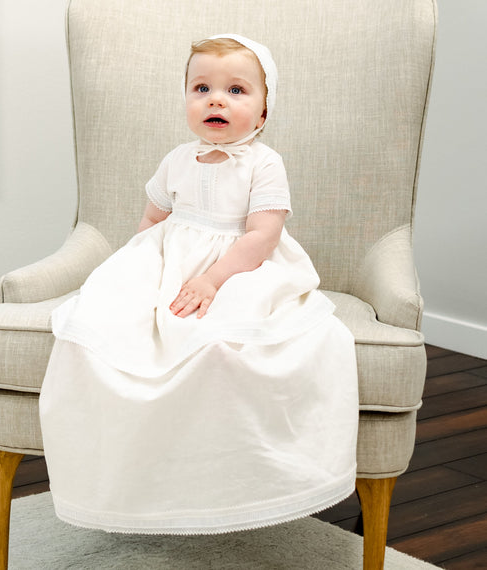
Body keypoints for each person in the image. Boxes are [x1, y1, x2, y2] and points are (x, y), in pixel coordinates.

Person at [39, 34, 359, 535]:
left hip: (238, 264)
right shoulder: (177, 158)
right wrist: (138, 270)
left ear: (263, 112)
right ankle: (131, 481)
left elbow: (262, 234)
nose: (215, 99)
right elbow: (152, 218)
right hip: (171, 256)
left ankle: (230, 478)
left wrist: (212, 278)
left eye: (236, 90)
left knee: (221, 339)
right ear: (186, 98)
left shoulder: (263, 162)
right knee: (110, 324)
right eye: (202, 87)